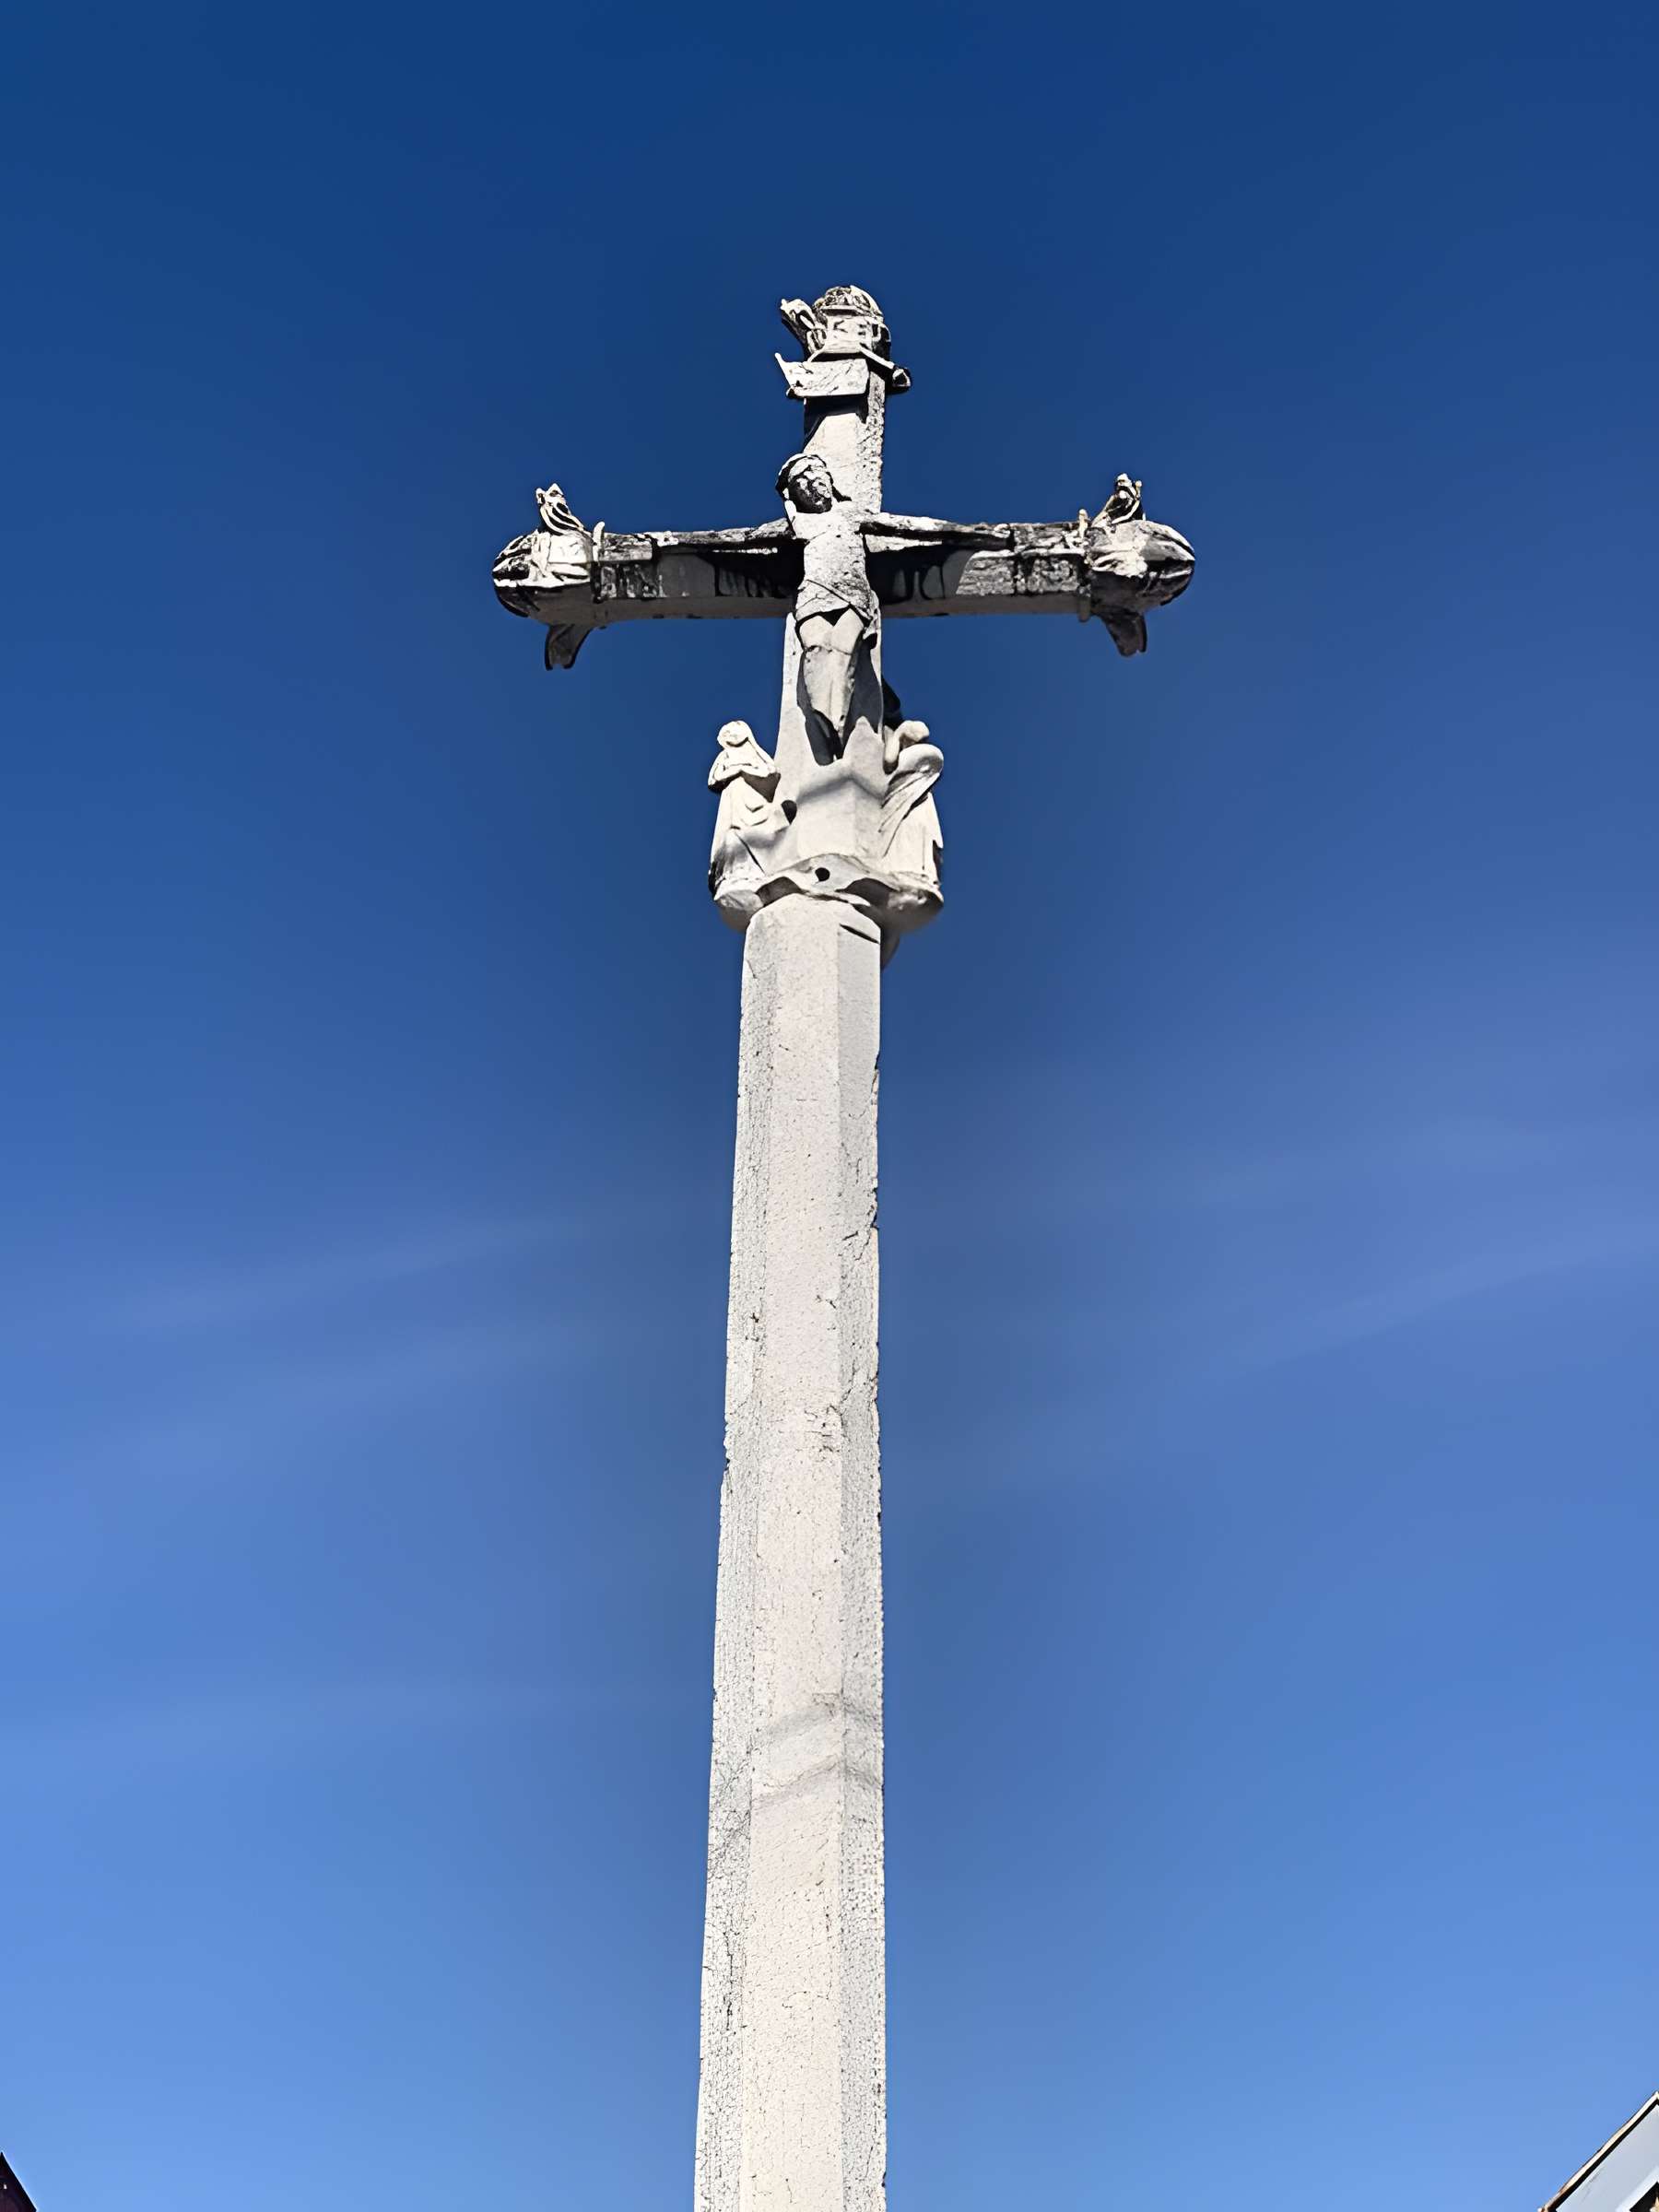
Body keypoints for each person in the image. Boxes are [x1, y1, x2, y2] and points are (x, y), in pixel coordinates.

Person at [776, 453, 877, 757]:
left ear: (830, 478)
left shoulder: (853, 517)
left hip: (851, 595)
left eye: (812, 472)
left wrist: (971, 533)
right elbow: (743, 540)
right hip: (812, 596)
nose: (808, 483)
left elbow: (908, 527)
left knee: (845, 651)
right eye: (798, 482)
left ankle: (840, 721)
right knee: (816, 650)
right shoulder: (797, 526)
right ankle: (824, 718)